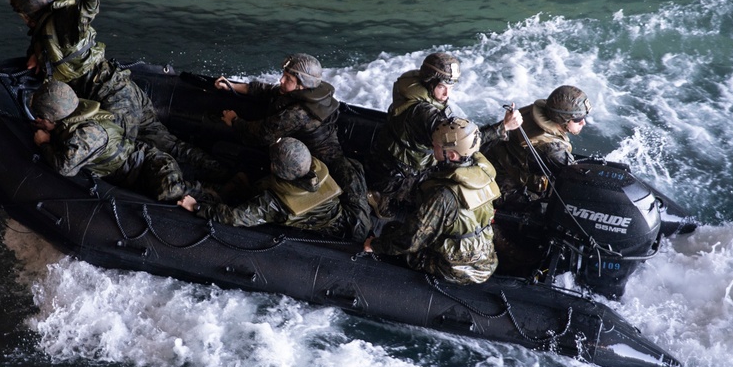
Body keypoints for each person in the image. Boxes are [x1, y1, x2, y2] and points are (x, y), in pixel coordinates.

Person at [11, 0, 228, 183]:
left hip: (110, 100)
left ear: (27, 12)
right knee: (165, 143)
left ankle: (196, 189)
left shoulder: (61, 20)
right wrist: (36, 55)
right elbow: (58, 50)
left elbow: (81, 17)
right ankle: (221, 172)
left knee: (127, 155)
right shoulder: (47, 31)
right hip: (123, 88)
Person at [212, 53, 371, 242]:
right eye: (284, 74)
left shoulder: (298, 113)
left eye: (288, 78)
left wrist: (235, 121)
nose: (281, 80)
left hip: (319, 162)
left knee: (356, 222)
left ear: (302, 85)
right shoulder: (306, 93)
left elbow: (260, 135)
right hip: (316, 152)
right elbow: (272, 91)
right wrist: (233, 86)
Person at [364, 51, 522, 220]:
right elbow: (461, 141)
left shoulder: (416, 89)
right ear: (429, 82)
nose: (447, 94)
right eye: (442, 87)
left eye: (451, 88)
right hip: (401, 174)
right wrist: (502, 128)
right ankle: (384, 200)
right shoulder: (423, 114)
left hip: (403, 158)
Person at [363, 118, 501, 285]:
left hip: (455, 267)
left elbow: (410, 241)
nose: (432, 147)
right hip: (484, 255)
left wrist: (375, 245)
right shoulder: (479, 169)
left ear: (451, 155)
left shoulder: (443, 195)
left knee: (391, 229)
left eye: (436, 146)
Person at [30, 80, 198, 202]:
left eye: (42, 117)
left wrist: (44, 143)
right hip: (132, 170)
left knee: (170, 193)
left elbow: (65, 168)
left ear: (54, 117)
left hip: (149, 167)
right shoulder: (76, 113)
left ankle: (205, 194)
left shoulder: (86, 133)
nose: (38, 120)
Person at [177, 138, 349, 239]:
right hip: (335, 216)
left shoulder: (272, 202)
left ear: (276, 168)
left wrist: (197, 207)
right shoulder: (315, 172)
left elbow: (236, 217)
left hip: (319, 232)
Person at [483, 85, 590, 204]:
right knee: (543, 209)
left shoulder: (532, 113)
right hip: (503, 185)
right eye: (577, 120)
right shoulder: (551, 150)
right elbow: (577, 180)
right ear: (562, 120)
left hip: (494, 155)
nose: (583, 122)